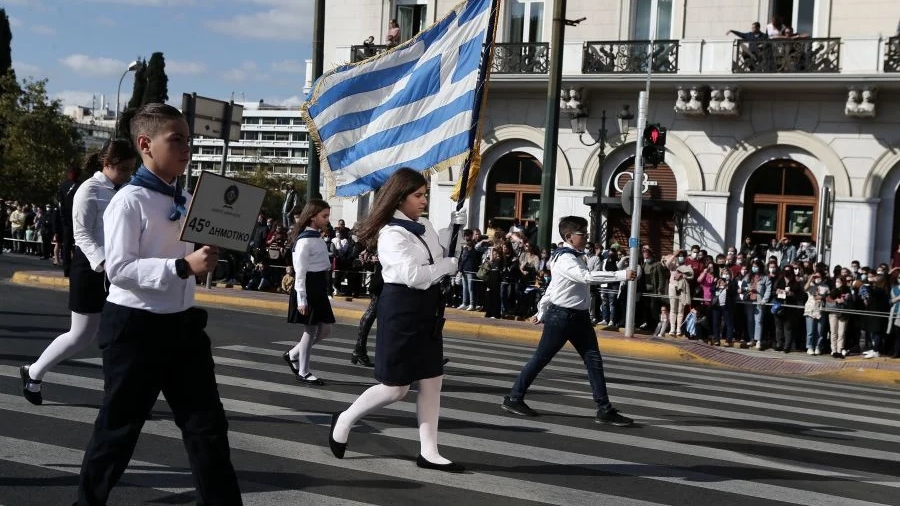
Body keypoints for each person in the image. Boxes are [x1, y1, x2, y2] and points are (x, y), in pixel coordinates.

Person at [74, 103, 242, 505]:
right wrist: (183, 266)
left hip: (182, 326)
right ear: (146, 145)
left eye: (189, 139)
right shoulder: (129, 201)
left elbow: (187, 256)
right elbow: (118, 268)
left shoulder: (186, 196)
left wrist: (208, 254)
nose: (186, 148)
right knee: (118, 430)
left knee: (207, 428)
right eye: (177, 140)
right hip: (136, 327)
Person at [328, 168, 464, 472]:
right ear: (399, 198)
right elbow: (413, 276)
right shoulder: (391, 233)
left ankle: (429, 452)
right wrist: (446, 265)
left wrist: (454, 232)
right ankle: (345, 418)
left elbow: (440, 257)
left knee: (432, 381)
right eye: (418, 195)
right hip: (401, 309)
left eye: (425, 194)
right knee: (395, 389)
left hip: (428, 308)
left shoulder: (425, 226)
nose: (424, 200)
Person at [20, 140, 136, 406]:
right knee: (81, 335)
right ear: (108, 165)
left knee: (122, 333)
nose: (129, 175)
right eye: (125, 169)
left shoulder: (128, 189)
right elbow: (81, 234)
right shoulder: (89, 189)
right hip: (91, 268)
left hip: (120, 270)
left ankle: (120, 397)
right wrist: (104, 263)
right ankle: (34, 372)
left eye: (132, 169)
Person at [501, 216, 637, 427]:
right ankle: (514, 397)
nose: (587, 237)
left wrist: (541, 310)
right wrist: (621, 274)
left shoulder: (571, 256)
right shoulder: (565, 259)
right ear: (569, 237)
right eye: (582, 233)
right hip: (562, 317)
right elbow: (586, 277)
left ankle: (604, 408)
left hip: (579, 318)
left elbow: (555, 287)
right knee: (541, 359)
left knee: (594, 361)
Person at [283, 199, 335, 385]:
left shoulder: (316, 237)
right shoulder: (304, 241)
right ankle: (304, 371)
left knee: (326, 329)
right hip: (309, 286)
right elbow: (300, 272)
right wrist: (302, 299)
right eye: (324, 216)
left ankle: (293, 354)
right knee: (311, 330)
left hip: (319, 285)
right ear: (312, 217)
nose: (327, 219)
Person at [352, 249, 382, 367]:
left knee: (370, 316)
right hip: (383, 283)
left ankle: (359, 351)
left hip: (383, 282)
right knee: (370, 315)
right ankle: (359, 351)